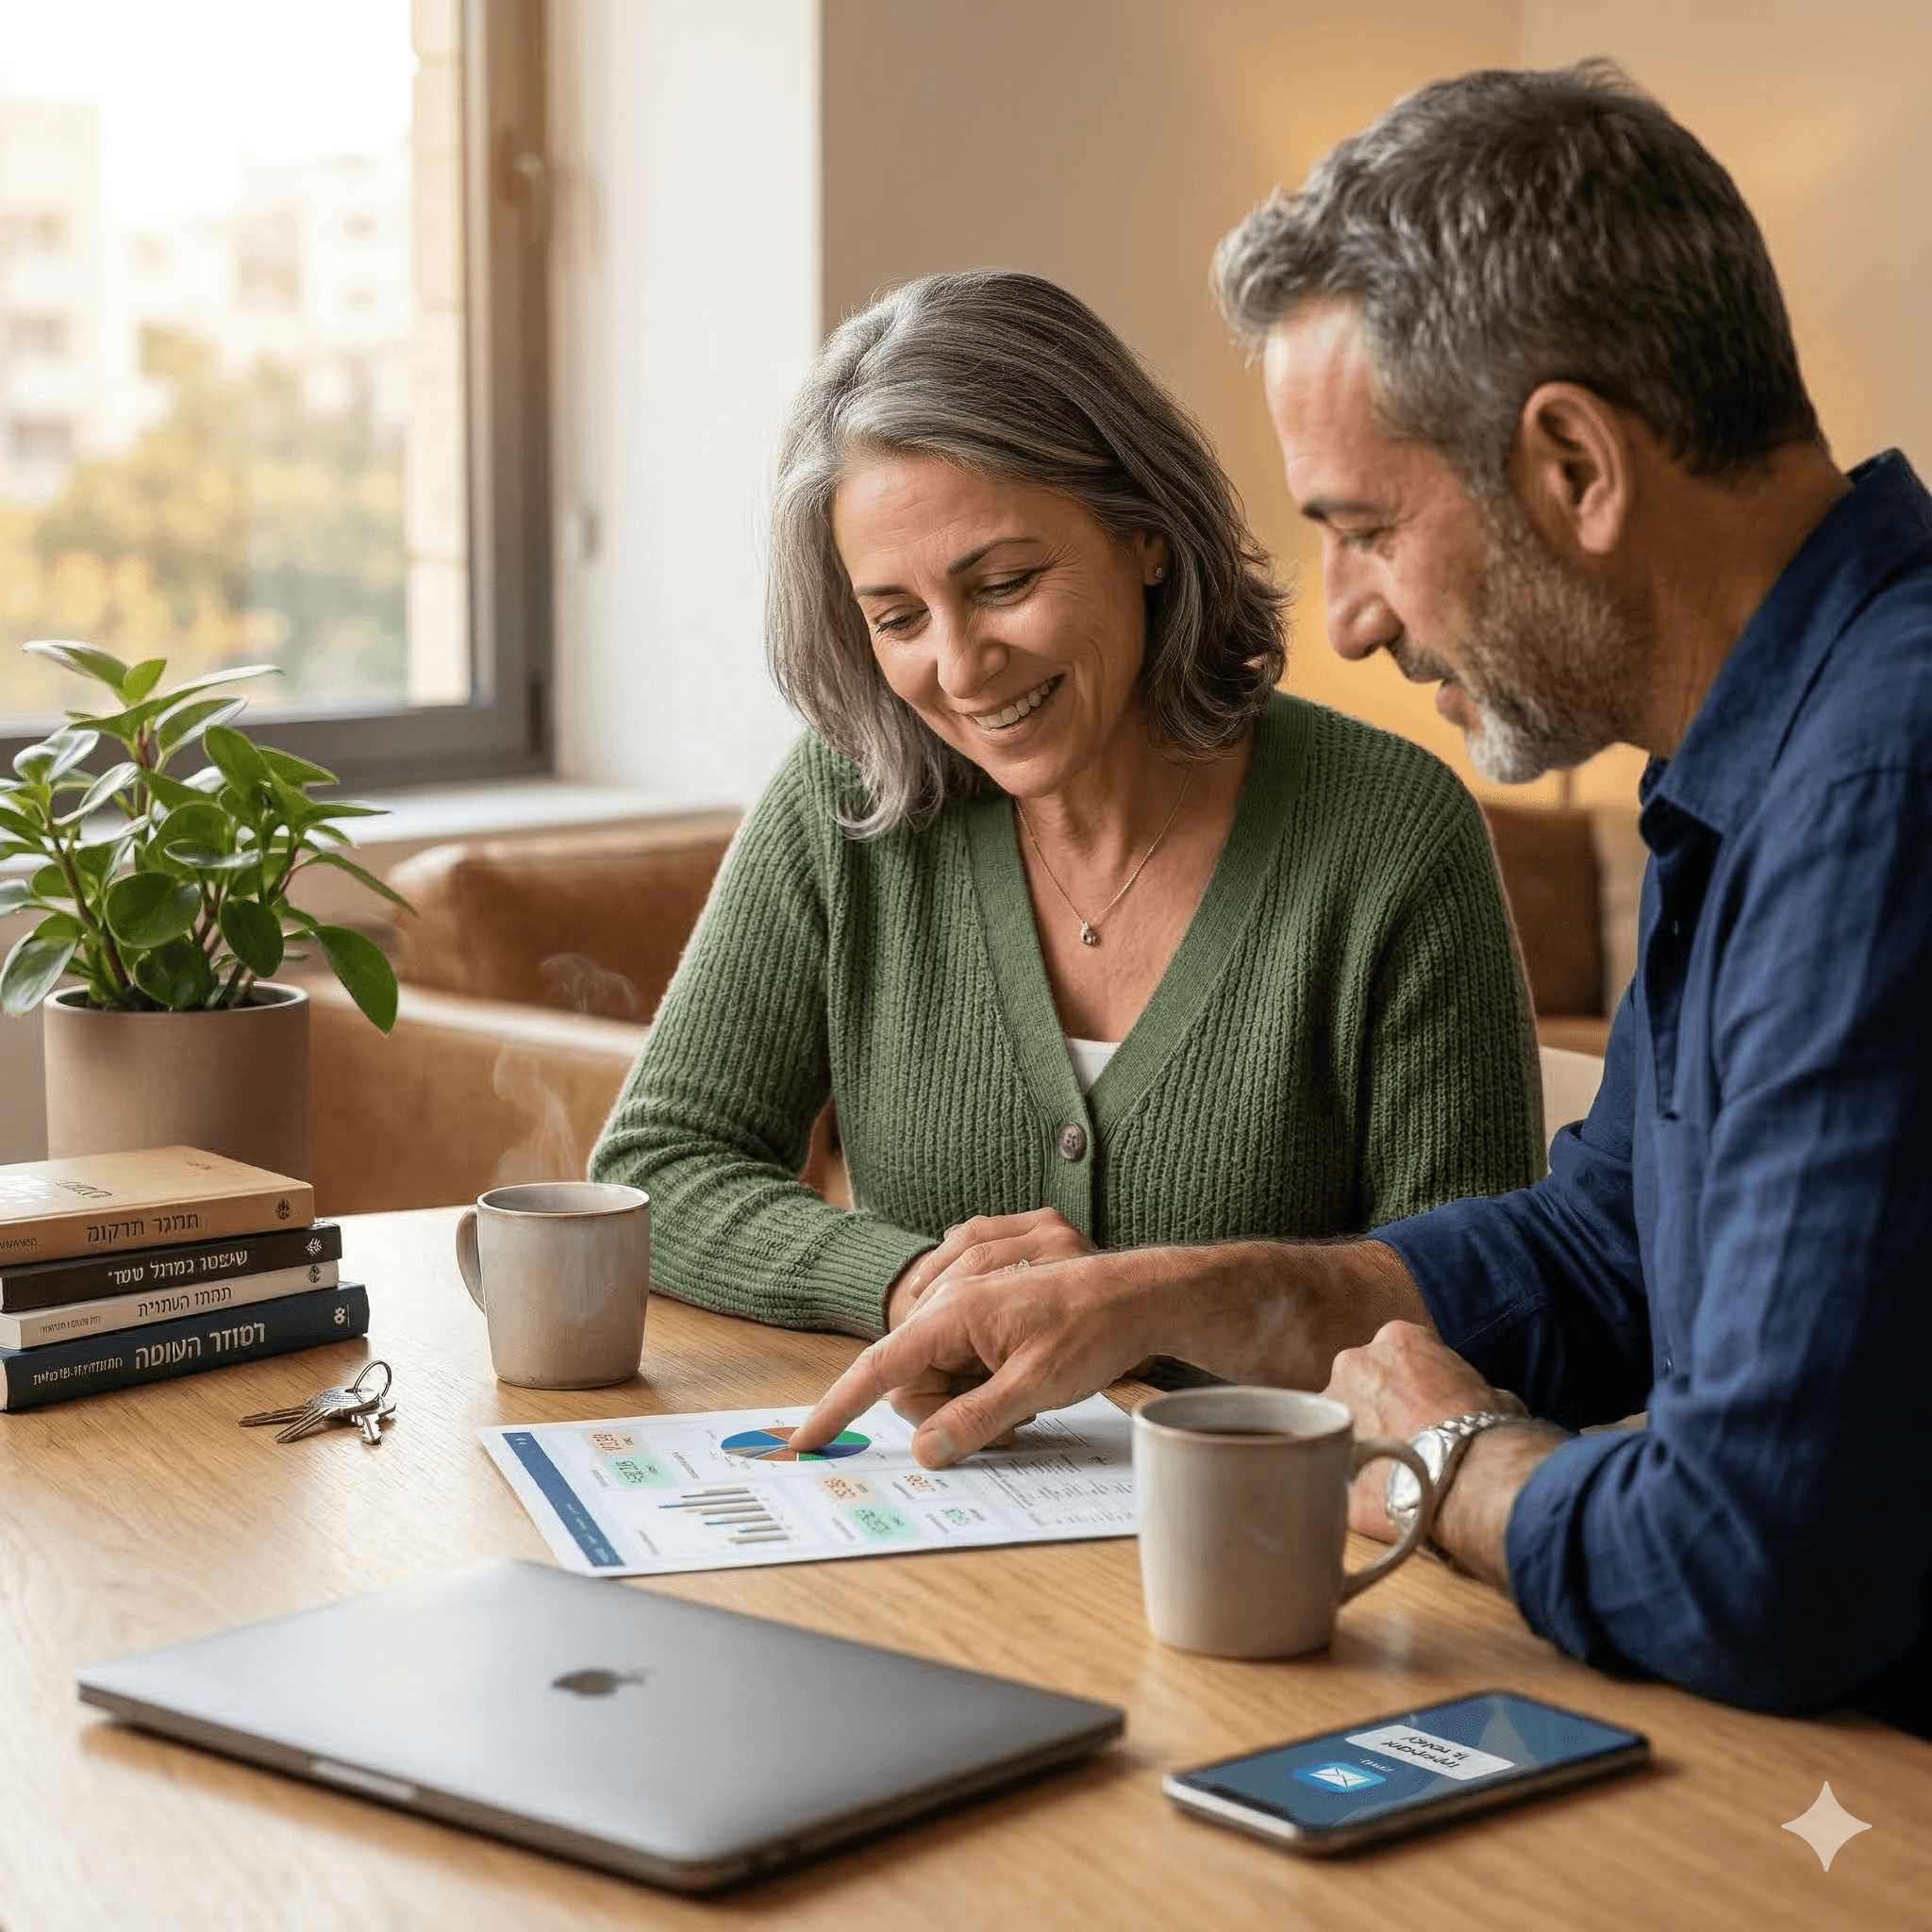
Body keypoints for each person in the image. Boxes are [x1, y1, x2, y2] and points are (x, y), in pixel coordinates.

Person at [793, 66, 1932, 1740]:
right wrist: (1195, 1293)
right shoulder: (1774, 752)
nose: (1343, 620)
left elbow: (1744, 1564)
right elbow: (1602, 1243)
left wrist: (1449, 1455)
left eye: (1363, 528)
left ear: (1569, 465)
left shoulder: (1871, 792)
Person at [590, 270, 1541, 1345]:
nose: (959, 667)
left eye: (1001, 584)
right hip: (930, 1497)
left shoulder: (1389, 833)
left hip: (1271, 1506)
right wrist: (910, 1282)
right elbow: (656, 1171)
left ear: (1142, 532)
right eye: (897, 616)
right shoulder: (848, 800)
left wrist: (1155, 1312)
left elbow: (1480, 1303)